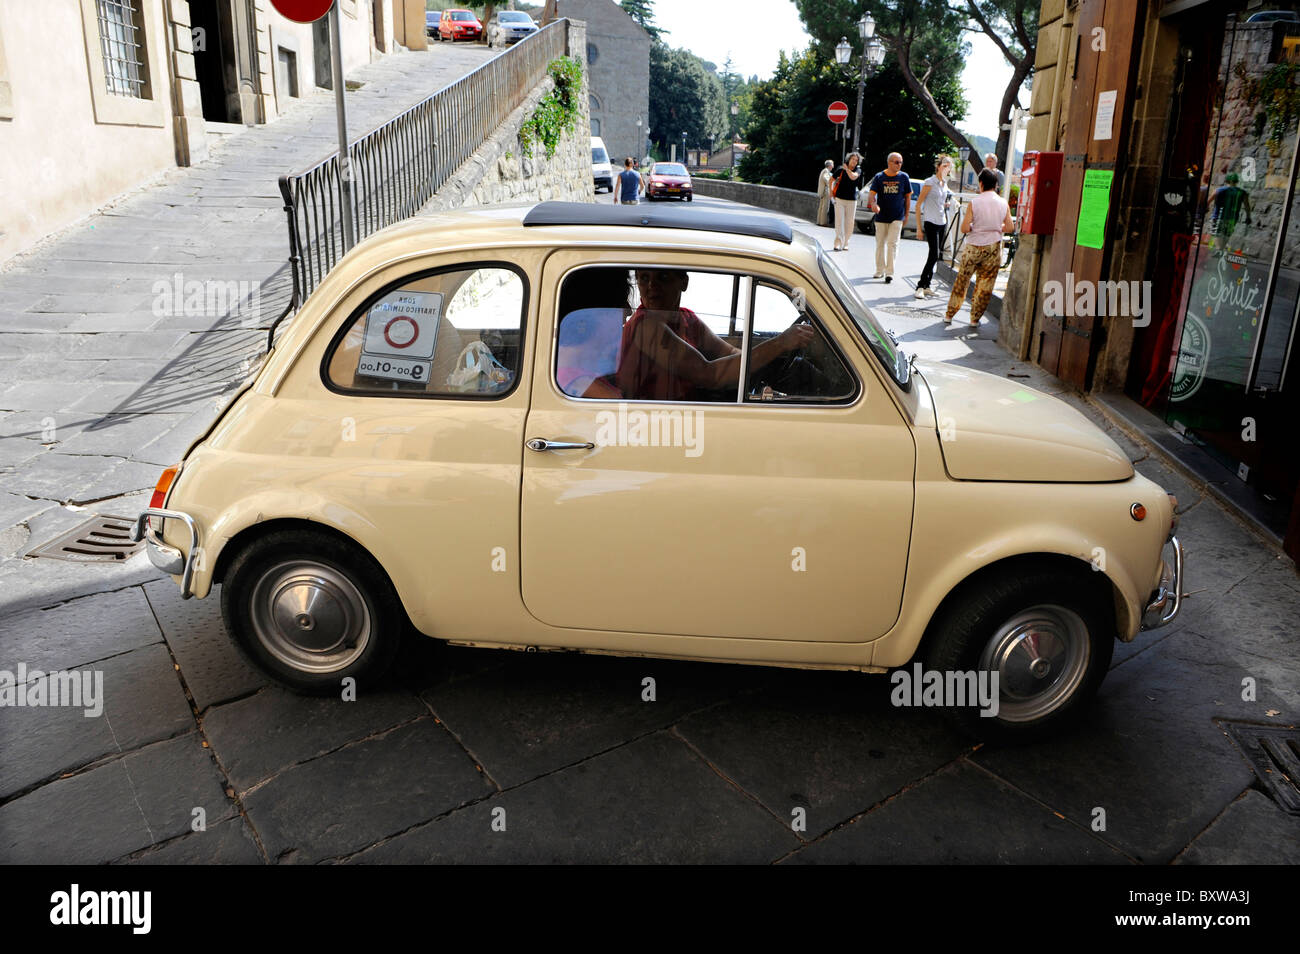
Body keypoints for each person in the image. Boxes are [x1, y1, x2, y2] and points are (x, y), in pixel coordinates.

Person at [617, 269, 814, 401]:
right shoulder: (646, 326)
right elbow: (709, 375)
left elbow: (729, 352)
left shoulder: (686, 318)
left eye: (663, 278)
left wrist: (764, 369)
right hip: (656, 423)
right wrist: (780, 344)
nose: (652, 286)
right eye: (644, 278)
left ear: (683, 282)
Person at [944, 168, 1013, 326]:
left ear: (981, 183)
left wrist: (977, 226)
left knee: (962, 281)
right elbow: (1009, 227)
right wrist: (995, 226)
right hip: (993, 248)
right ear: (996, 185)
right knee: (985, 284)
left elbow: (964, 228)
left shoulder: (975, 202)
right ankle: (975, 319)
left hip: (973, 246)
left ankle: (949, 315)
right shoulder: (1003, 203)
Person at [866, 152, 911, 283]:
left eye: (901, 162)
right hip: (881, 216)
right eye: (897, 162)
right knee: (880, 244)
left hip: (897, 216)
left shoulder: (904, 177)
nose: (899, 165)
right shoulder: (879, 177)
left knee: (892, 244)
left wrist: (906, 215)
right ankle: (879, 270)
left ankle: (889, 272)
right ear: (889, 163)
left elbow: (908, 198)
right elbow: (871, 195)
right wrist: (874, 204)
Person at [914, 156, 953, 299]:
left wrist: (945, 205)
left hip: (941, 222)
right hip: (930, 222)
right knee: (934, 255)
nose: (946, 168)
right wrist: (919, 228)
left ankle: (927, 286)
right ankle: (920, 286)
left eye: (949, 166)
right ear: (938, 166)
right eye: (944, 165)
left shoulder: (944, 184)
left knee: (935, 255)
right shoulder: (930, 182)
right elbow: (918, 205)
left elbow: (940, 202)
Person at [830, 152, 862, 251]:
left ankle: (846, 242)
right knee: (839, 221)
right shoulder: (840, 169)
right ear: (849, 159)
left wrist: (847, 169)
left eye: (856, 160)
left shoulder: (858, 170)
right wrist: (831, 193)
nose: (854, 161)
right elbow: (831, 180)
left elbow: (853, 177)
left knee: (849, 222)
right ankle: (838, 242)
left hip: (852, 200)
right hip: (839, 198)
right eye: (853, 159)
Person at [1210, 172, 1252, 241]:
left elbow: (1207, 202)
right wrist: (1248, 217)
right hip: (1232, 219)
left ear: (1226, 180)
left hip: (1217, 217)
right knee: (1225, 238)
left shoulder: (1218, 190)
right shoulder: (1242, 193)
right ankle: (1221, 249)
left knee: (1216, 237)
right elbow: (1247, 206)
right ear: (1237, 181)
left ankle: (1218, 250)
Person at [815, 159, 835, 227]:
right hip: (826, 191)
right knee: (825, 207)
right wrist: (833, 181)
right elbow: (826, 179)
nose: (833, 166)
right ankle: (823, 222)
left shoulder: (824, 170)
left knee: (821, 207)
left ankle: (819, 221)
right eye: (832, 164)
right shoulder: (826, 171)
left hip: (823, 191)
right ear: (830, 165)